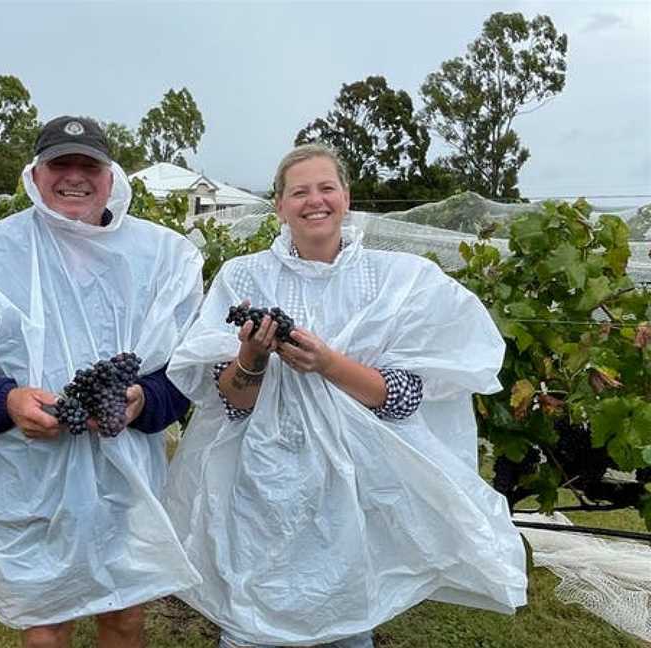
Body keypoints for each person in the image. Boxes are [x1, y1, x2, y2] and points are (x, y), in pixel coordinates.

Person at [163, 144, 528, 647]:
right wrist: (252, 359)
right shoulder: (244, 278)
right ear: (279, 206)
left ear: (346, 197)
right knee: (254, 618)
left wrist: (328, 364)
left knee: (345, 620)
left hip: (353, 494)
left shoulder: (396, 281)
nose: (315, 201)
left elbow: (401, 399)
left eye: (326, 188)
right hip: (263, 486)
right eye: (299, 192)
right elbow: (231, 404)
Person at [0, 115, 204, 648]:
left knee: (125, 614)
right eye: (59, 164)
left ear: (110, 176)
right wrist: (8, 401)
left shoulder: (163, 256)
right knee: (45, 624)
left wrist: (143, 401)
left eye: (87, 165)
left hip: (125, 474)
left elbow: (187, 367)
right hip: (29, 473)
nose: (74, 177)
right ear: (35, 173)